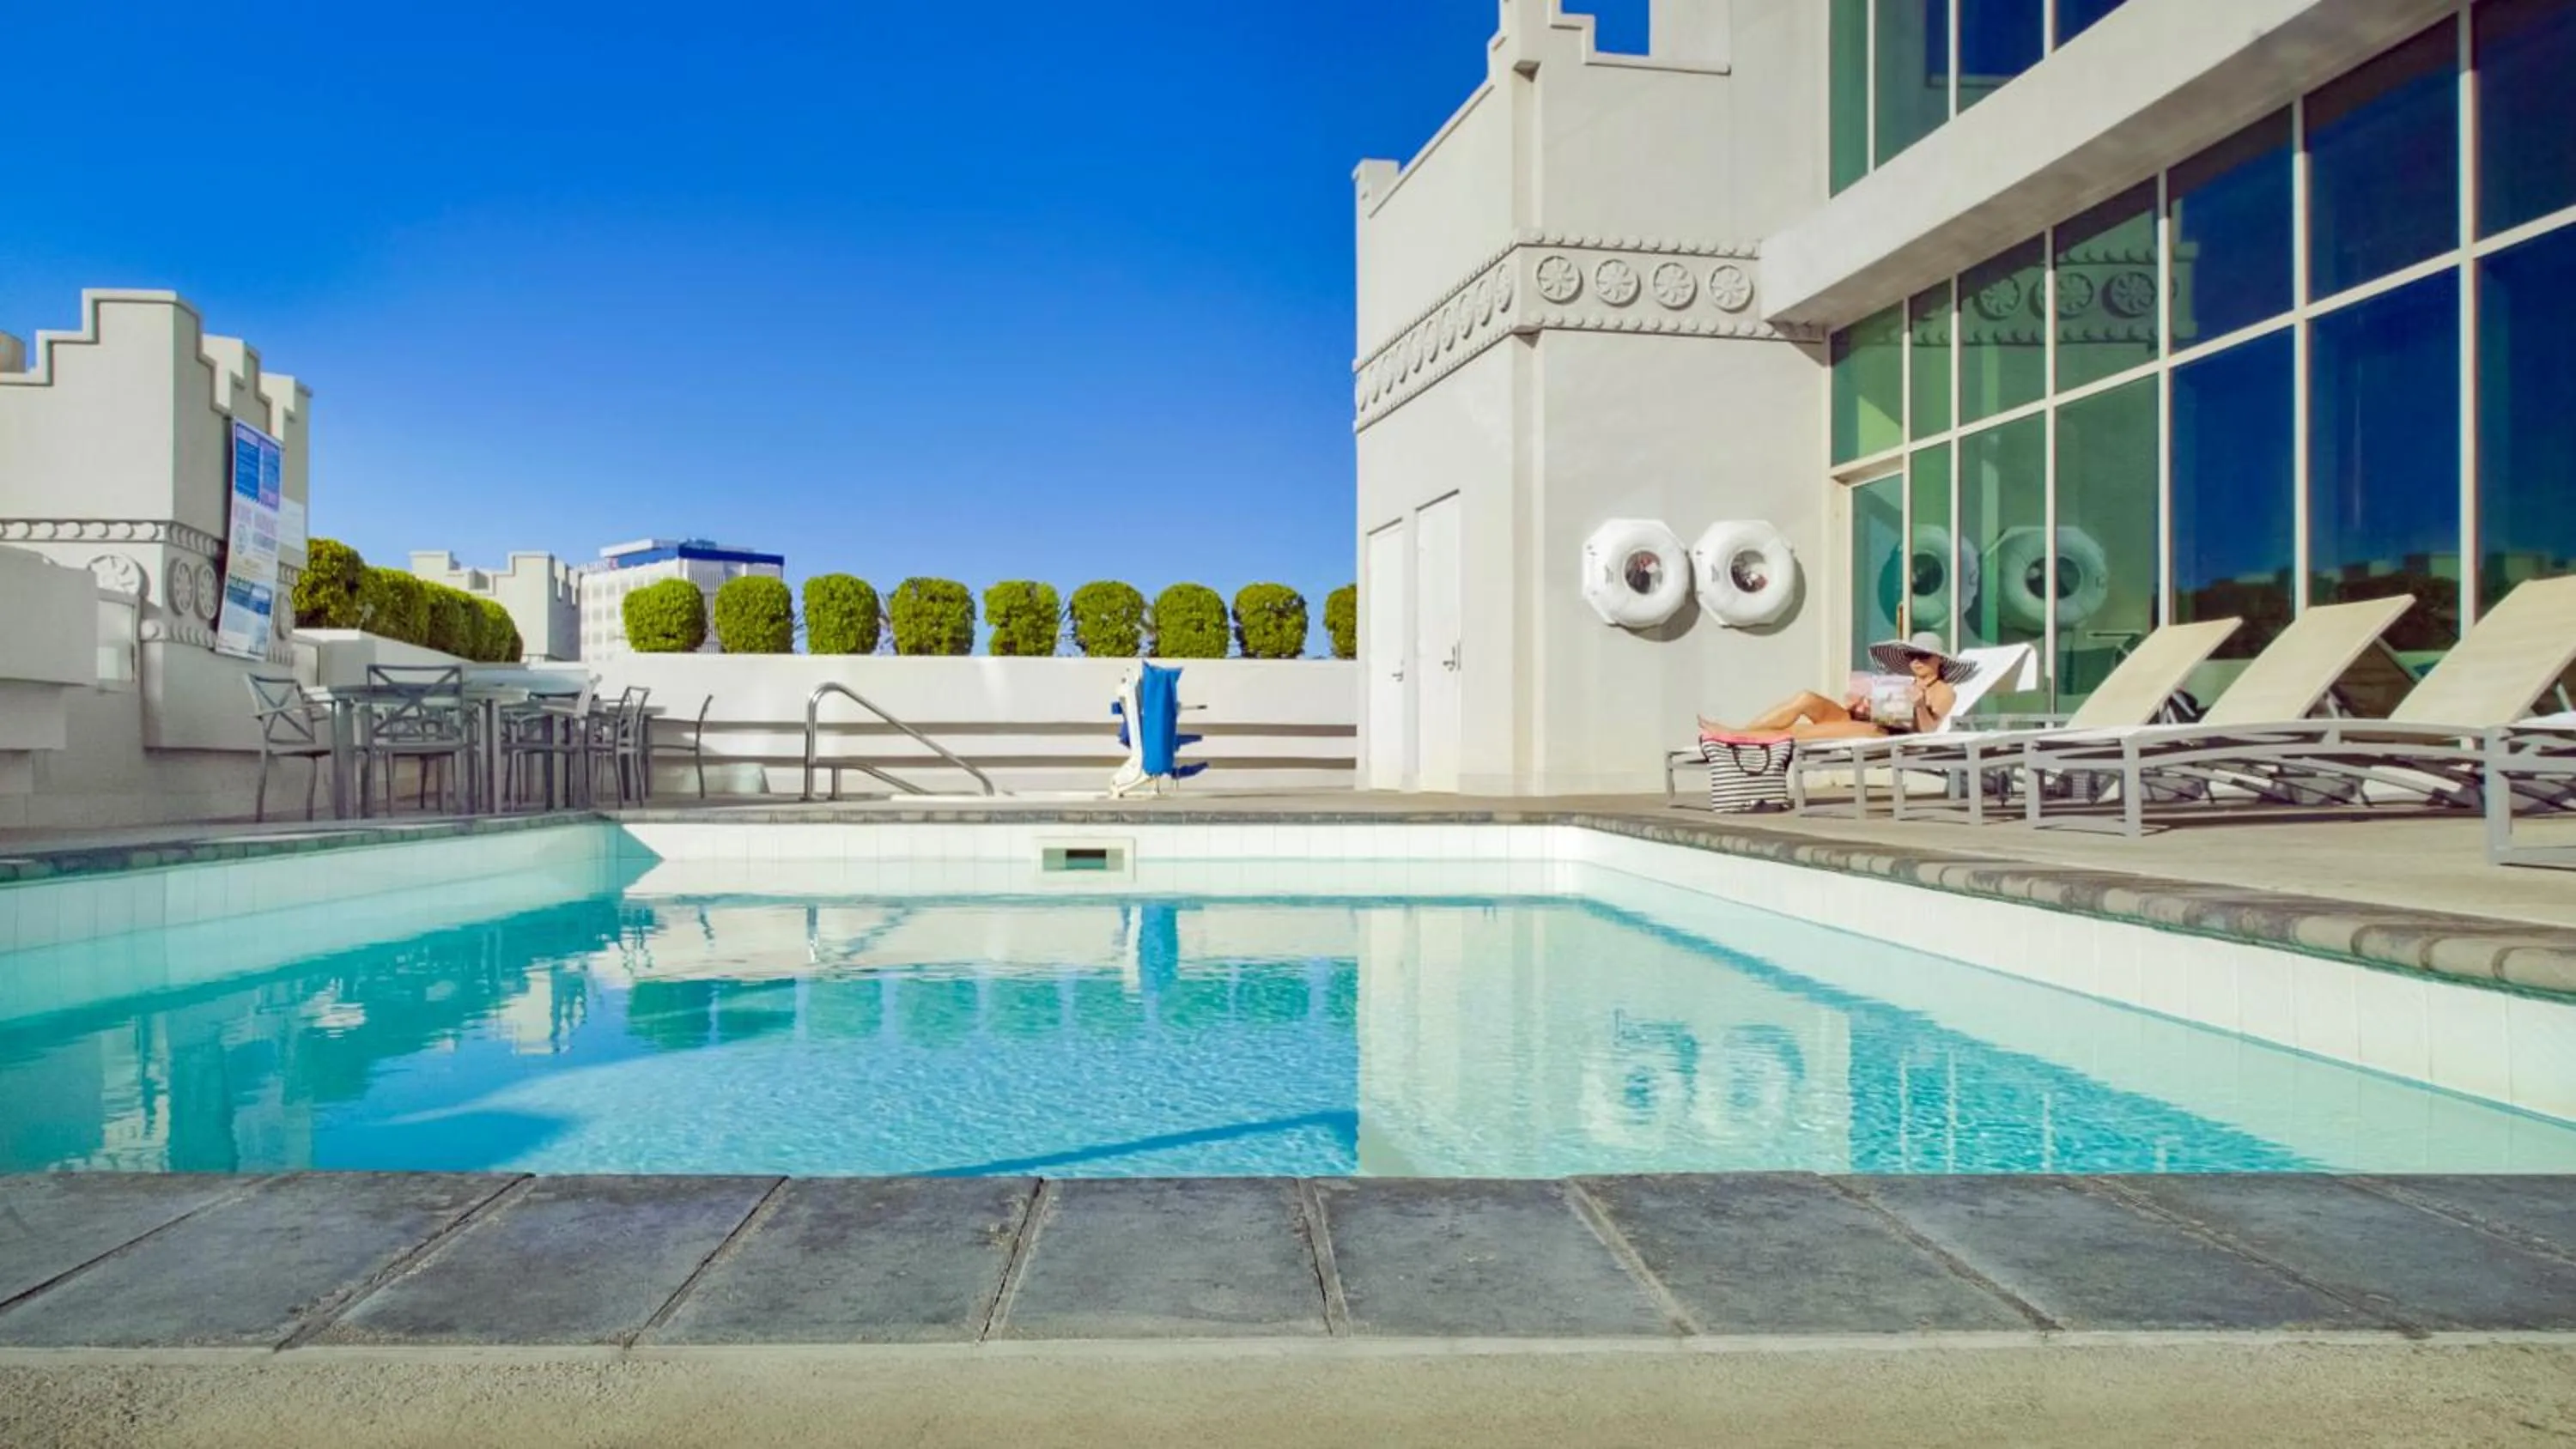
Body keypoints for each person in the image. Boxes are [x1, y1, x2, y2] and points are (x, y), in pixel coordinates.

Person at [1699, 635, 1973, 743]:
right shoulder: (1905, 684)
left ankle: (1735, 737)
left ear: (1939, 660)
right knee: (1806, 698)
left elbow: (1929, 731)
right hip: (1865, 720)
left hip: (1880, 731)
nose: (1915, 662)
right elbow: (1880, 709)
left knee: (1797, 732)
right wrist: (1861, 704)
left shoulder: (1944, 691)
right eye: (1911, 655)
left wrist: (1918, 705)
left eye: (1923, 656)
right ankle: (1741, 733)